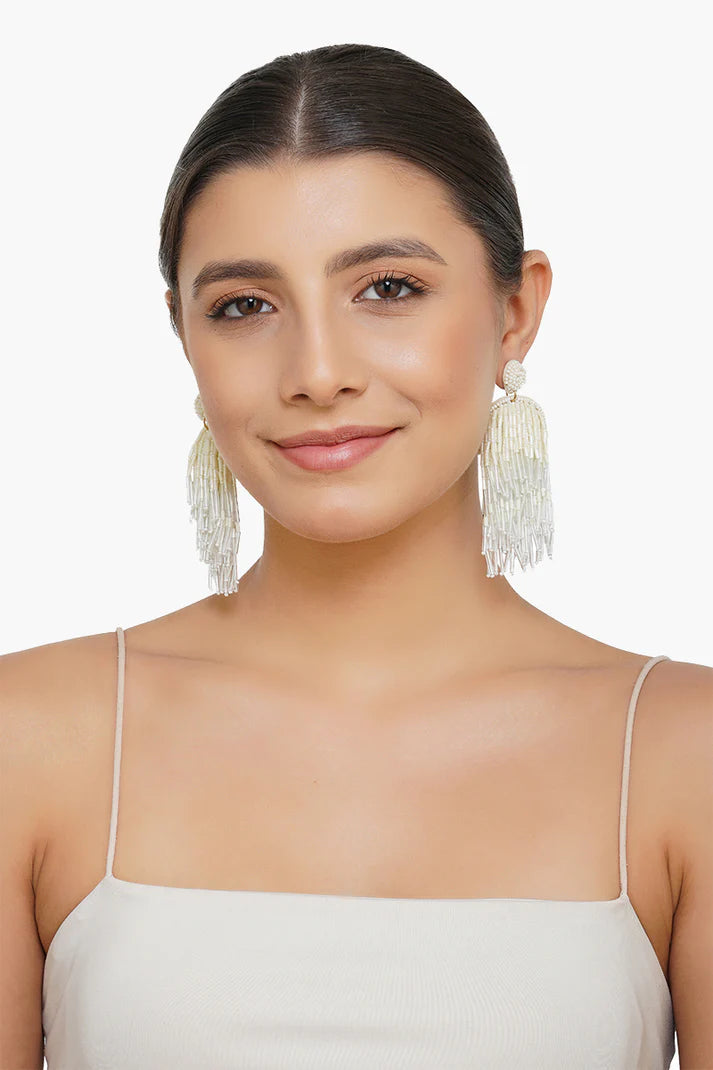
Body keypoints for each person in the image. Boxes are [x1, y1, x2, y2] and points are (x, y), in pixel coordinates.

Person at [2, 42, 710, 1070]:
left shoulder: (685, 752)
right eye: (244, 305)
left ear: (515, 310)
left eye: (386, 287)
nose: (317, 371)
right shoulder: (29, 739)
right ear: (184, 337)